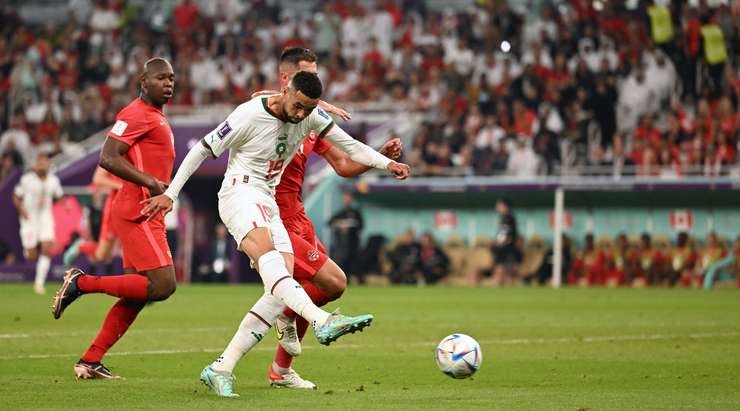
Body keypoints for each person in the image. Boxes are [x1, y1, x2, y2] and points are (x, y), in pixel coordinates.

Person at [141, 70, 410, 397]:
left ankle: (221, 368)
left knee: (277, 289)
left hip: (267, 201)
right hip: (239, 194)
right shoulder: (248, 114)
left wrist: (387, 164)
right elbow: (202, 149)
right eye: (298, 106)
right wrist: (171, 194)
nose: (301, 114)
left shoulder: (311, 117)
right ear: (285, 90)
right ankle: (321, 320)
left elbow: (350, 147)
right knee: (273, 265)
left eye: (308, 109)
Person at [256, 48, 402, 390]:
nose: (315, 82)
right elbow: (256, 97)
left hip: (297, 215)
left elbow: (344, 165)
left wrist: (379, 157)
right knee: (334, 282)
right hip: (270, 216)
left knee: (323, 288)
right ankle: (281, 319)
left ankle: (281, 369)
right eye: (306, 75)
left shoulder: (310, 121)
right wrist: (320, 104)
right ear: (286, 79)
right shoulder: (268, 110)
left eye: (316, 75)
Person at [51, 58, 178, 380]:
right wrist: (150, 182)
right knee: (163, 285)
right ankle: (81, 282)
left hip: (146, 209)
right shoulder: (135, 113)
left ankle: (90, 360)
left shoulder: (154, 115)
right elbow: (107, 157)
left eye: (171, 78)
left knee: (137, 294)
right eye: (161, 78)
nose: (168, 83)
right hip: (138, 210)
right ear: (143, 81)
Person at [13, 152, 64, 294]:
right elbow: (16, 196)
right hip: (29, 220)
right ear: (35, 164)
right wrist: (22, 209)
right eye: (39, 162)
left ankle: (39, 283)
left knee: (47, 249)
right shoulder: (27, 179)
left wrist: (64, 206)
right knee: (32, 256)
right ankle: (28, 249)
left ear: (48, 164)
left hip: (45, 219)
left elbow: (59, 196)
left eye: (44, 162)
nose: (41, 165)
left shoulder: (53, 180)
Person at [328, 192, 364, 278]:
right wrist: (339, 225)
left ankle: (359, 278)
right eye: (345, 199)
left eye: (348, 199)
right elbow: (329, 222)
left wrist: (349, 229)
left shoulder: (356, 213)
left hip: (353, 243)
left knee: (354, 261)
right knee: (342, 261)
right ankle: (344, 277)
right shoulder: (340, 213)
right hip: (341, 244)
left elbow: (361, 225)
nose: (347, 201)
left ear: (351, 200)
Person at [491, 198, 521, 285]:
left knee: (507, 270)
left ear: (506, 207)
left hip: (508, 248)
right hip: (502, 248)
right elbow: (502, 234)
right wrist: (496, 242)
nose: (498, 208)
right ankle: (500, 284)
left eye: (500, 206)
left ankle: (508, 284)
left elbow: (509, 236)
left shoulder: (509, 218)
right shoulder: (503, 218)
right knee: (500, 267)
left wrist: (500, 243)